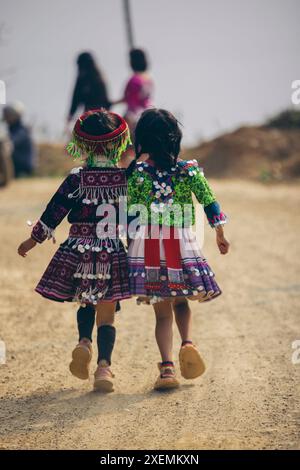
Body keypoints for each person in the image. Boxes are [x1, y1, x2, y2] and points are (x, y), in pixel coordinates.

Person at [17, 109, 132, 393]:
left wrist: (33, 240)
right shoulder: (124, 179)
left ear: (83, 145)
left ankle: (84, 342)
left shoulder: (76, 178)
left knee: (86, 301)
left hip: (79, 249)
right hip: (110, 249)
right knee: (107, 314)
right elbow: (132, 219)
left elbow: (54, 211)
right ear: (117, 143)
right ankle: (104, 367)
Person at [127, 108, 230, 390]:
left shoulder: (138, 174)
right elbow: (209, 201)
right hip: (181, 241)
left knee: (162, 313)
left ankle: (168, 369)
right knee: (182, 301)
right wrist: (219, 232)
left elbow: (131, 216)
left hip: (149, 244)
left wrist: (128, 245)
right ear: (175, 138)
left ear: (143, 140)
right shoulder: (189, 170)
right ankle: (187, 342)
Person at [67, 52, 111, 123]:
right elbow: (76, 98)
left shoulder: (98, 79)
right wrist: (71, 115)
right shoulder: (84, 79)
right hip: (91, 115)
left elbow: (76, 98)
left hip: (99, 115)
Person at [3, 102, 35, 177]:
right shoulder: (16, 130)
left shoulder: (21, 131)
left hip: (23, 169)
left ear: (14, 116)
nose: (5, 117)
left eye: (8, 115)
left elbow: (9, 144)